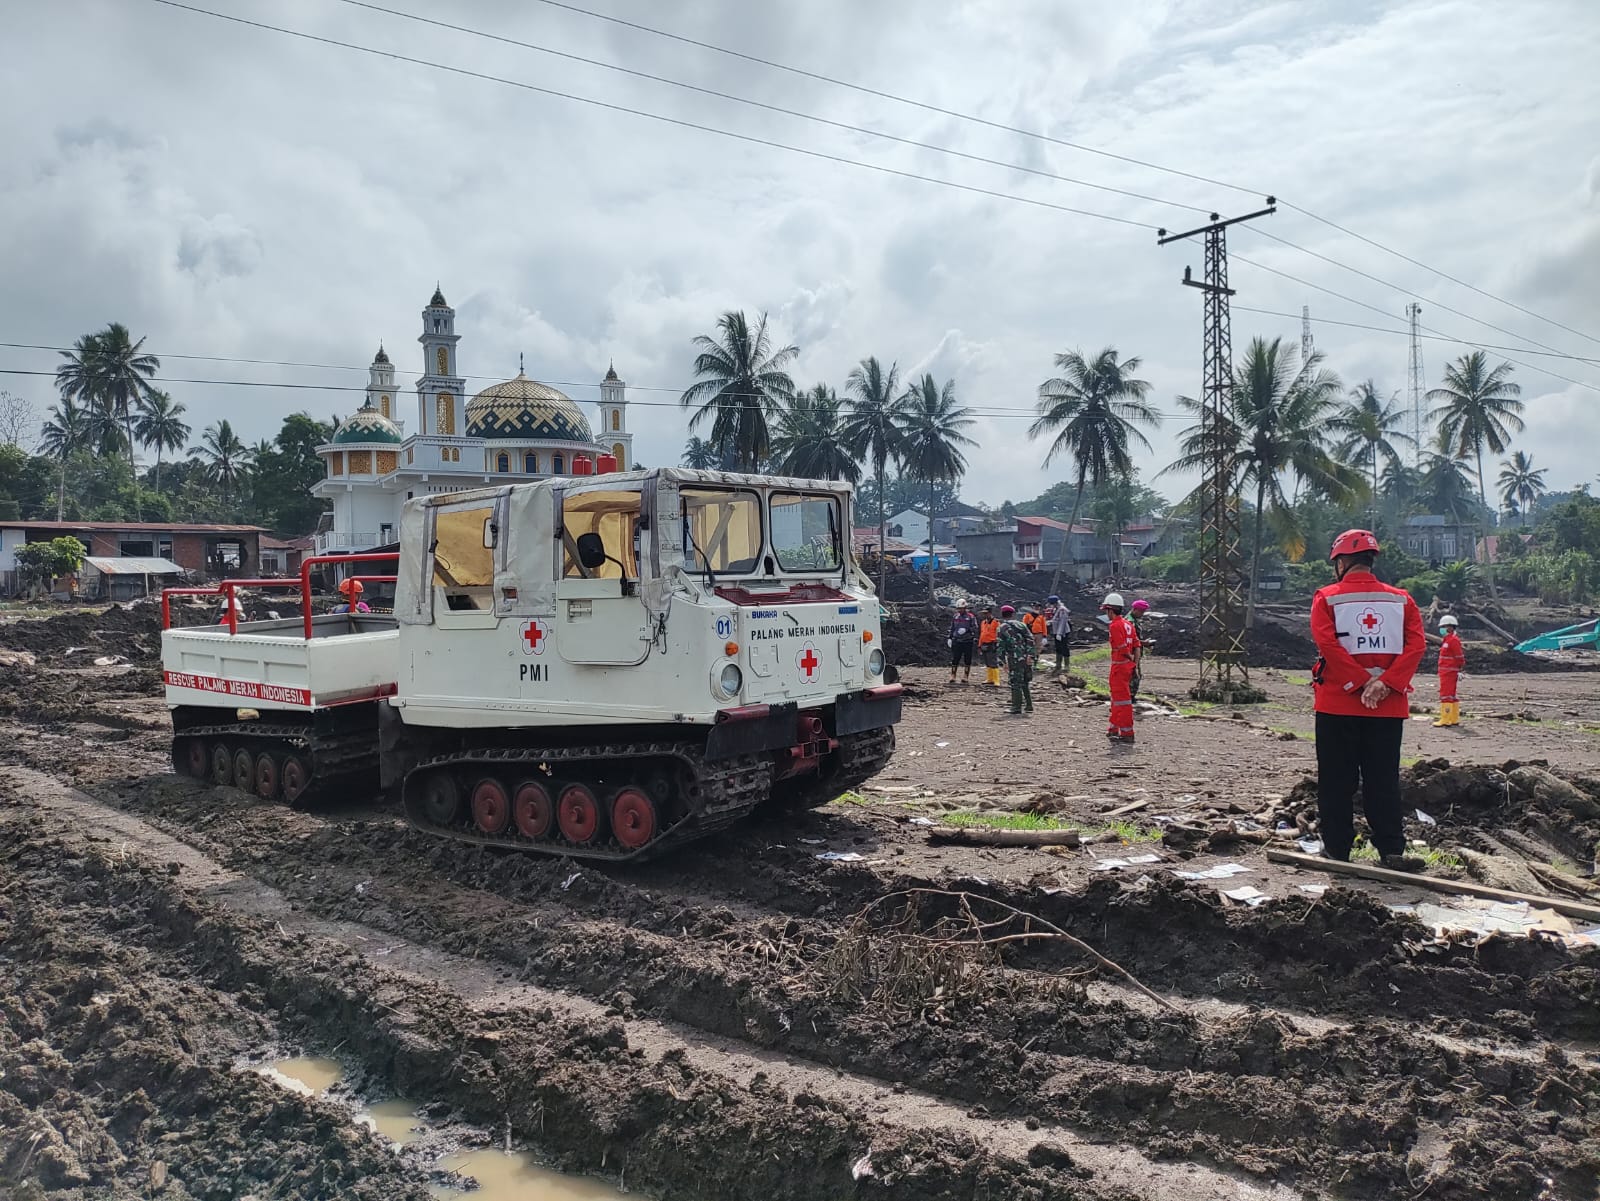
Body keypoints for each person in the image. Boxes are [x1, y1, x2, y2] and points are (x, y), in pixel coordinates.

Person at [1310, 529, 1426, 871]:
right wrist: (1385, 683)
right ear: (1371, 561)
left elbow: (1328, 645)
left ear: (1341, 562)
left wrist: (1360, 682)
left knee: (1335, 779)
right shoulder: (1402, 600)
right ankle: (1391, 851)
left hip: (1336, 704)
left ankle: (1337, 850)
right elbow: (1416, 645)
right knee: (1383, 778)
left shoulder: (1326, 598)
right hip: (1388, 706)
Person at [1103, 592, 1140, 742]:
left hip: (1119, 667)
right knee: (1117, 700)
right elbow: (1137, 645)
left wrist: (1129, 658)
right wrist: (1134, 665)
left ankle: (1126, 733)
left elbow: (1122, 647)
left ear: (1110, 610)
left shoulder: (1115, 625)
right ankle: (1113, 728)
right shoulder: (1128, 624)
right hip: (1126, 667)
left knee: (1122, 701)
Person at [995, 604, 1035, 715]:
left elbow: (1000, 646)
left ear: (1002, 614)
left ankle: (1016, 707)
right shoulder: (1022, 625)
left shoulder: (1001, 628)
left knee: (1015, 682)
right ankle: (1029, 705)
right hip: (1025, 656)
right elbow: (1030, 639)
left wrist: (1002, 662)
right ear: (1013, 614)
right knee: (1025, 681)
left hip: (1014, 657)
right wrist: (1030, 655)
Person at [1433, 614, 1465, 727]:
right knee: (1451, 695)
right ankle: (1453, 718)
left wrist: (1459, 669)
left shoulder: (1453, 640)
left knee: (1446, 695)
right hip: (1446, 672)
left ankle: (1445, 719)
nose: (1441, 629)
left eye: (1443, 626)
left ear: (1450, 627)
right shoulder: (1447, 640)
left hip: (1449, 672)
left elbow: (1459, 657)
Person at [948, 601, 979, 684]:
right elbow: (952, 627)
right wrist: (950, 638)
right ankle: (953, 675)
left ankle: (966, 676)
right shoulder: (955, 616)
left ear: (965, 608)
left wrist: (967, 630)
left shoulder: (971, 617)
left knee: (967, 659)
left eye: (961, 608)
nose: (960, 610)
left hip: (967, 641)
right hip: (957, 640)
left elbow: (975, 628)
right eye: (958, 608)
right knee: (955, 658)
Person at [1128, 598, 1150, 700]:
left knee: (1136, 675)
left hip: (1135, 652)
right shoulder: (1130, 622)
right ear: (1135, 609)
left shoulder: (1134, 621)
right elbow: (1130, 640)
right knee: (1134, 676)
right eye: (1141, 612)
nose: (1142, 614)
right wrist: (1143, 643)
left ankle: (1130, 696)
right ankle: (1129, 696)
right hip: (1131, 654)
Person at [1048, 595, 1072, 677]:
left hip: (1063, 632)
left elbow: (1063, 622)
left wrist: (1059, 633)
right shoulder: (1056, 609)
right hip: (1056, 631)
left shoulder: (1062, 610)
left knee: (1064, 647)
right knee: (1058, 648)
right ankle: (1058, 664)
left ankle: (1066, 665)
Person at [978, 605, 1001, 687]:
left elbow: (999, 634)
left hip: (992, 644)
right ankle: (990, 679)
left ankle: (996, 680)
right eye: (984, 613)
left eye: (986, 613)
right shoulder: (983, 622)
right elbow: (982, 634)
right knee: (987, 662)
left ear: (990, 613)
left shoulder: (996, 622)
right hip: (984, 643)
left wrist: (997, 643)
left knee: (993, 662)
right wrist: (979, 645)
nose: (985, 615)